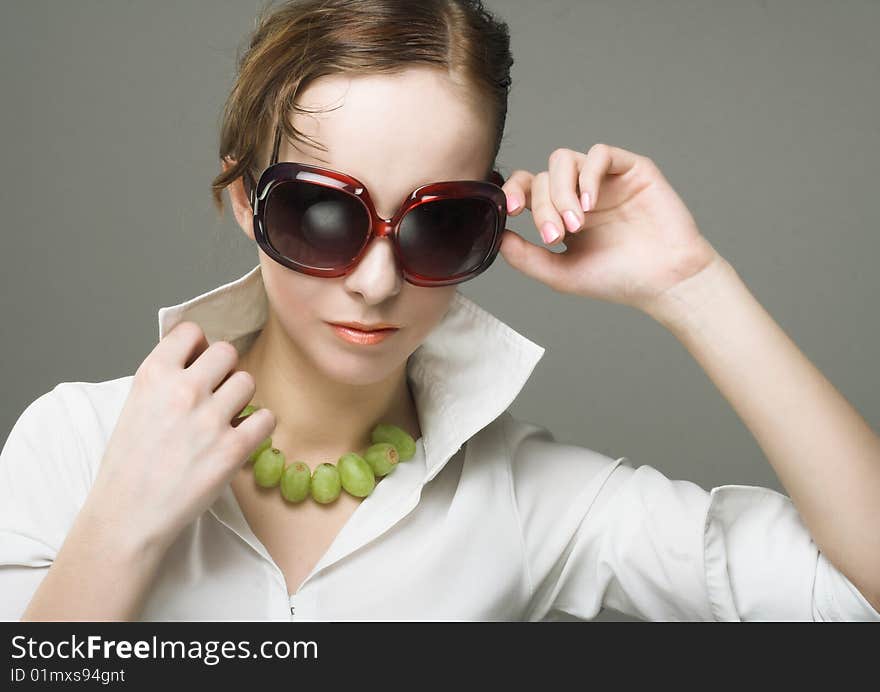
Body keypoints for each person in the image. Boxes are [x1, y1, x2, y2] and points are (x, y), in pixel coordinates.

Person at [2, 0, 878, 622]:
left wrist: (692, 285)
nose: (377, 281)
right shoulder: (78, 442)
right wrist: (122, 527)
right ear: (245, 200)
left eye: (442, 224)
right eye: (322, 213)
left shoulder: (531, 502)